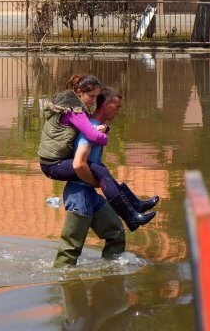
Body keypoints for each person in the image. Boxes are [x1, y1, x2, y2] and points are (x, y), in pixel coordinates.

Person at [39, 76, 158, 231]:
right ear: (79, 92)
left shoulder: (77, 108)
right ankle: (131, 216)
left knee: (102, 171)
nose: (94, 100)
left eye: (97, 96)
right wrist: (105, 136)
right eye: (92, 96)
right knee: (100, 171)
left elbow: (89, 127)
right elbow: (92, 136)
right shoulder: (75, 111)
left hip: (61, 165)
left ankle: (134, 207)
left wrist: (105, 128)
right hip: (54, 165)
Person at [53, 87, 155, 267]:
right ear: (106, 104)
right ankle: (64, 280)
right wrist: (95, 182)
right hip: (78, 194)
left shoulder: (97, 127)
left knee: (115, 233)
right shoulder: (90, 128)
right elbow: (79, 163)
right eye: (117, 106)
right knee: (71, 248)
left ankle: (111, 273)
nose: (119, 110)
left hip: (90, 194)